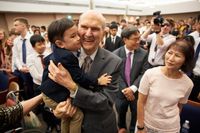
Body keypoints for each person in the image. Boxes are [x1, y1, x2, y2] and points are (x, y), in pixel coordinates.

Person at [47, 10, 122, 133]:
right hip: (70, 124)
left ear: (104, 32)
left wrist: (72, 86)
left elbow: (105, 102)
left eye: (95, 29)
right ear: (77, 28)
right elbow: (50, 87)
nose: (88, 34)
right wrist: (55, 109)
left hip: (99, 127)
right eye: (84, 27)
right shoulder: (62, 55)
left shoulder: (114, 62)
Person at [136, 40, 194, 133]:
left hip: (170, 128)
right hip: (147, 124)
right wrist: (140, 126)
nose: (171, 58)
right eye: (170, 52)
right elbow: (140, 102)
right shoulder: (150, 74)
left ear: (185, 61)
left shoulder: (188, 83)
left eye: (177, 55)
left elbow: (179, 106)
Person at [113, 26, 149, 133]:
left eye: (139, 38)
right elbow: (116, 75)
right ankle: (122, 128)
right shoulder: (115, 54)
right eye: (135, 39)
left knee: (136, 114)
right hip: (120, 93)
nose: (138, 41)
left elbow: (144, 73)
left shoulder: (143, 54)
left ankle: (134, 129)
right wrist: (126, 90)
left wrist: (132, 89)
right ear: (125, 40)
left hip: (137, 93)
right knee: (121, 113)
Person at [12, 17, 34, 99]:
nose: (14, 27)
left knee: (37, 87)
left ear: (23, 26)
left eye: (16, 25)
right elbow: (16, 56)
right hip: (23, 69)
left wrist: (30, 67)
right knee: (28, 88)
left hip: (33, 68)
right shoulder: (16, 40)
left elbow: (36, 54)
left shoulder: (33, 38)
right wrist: (20, 68)